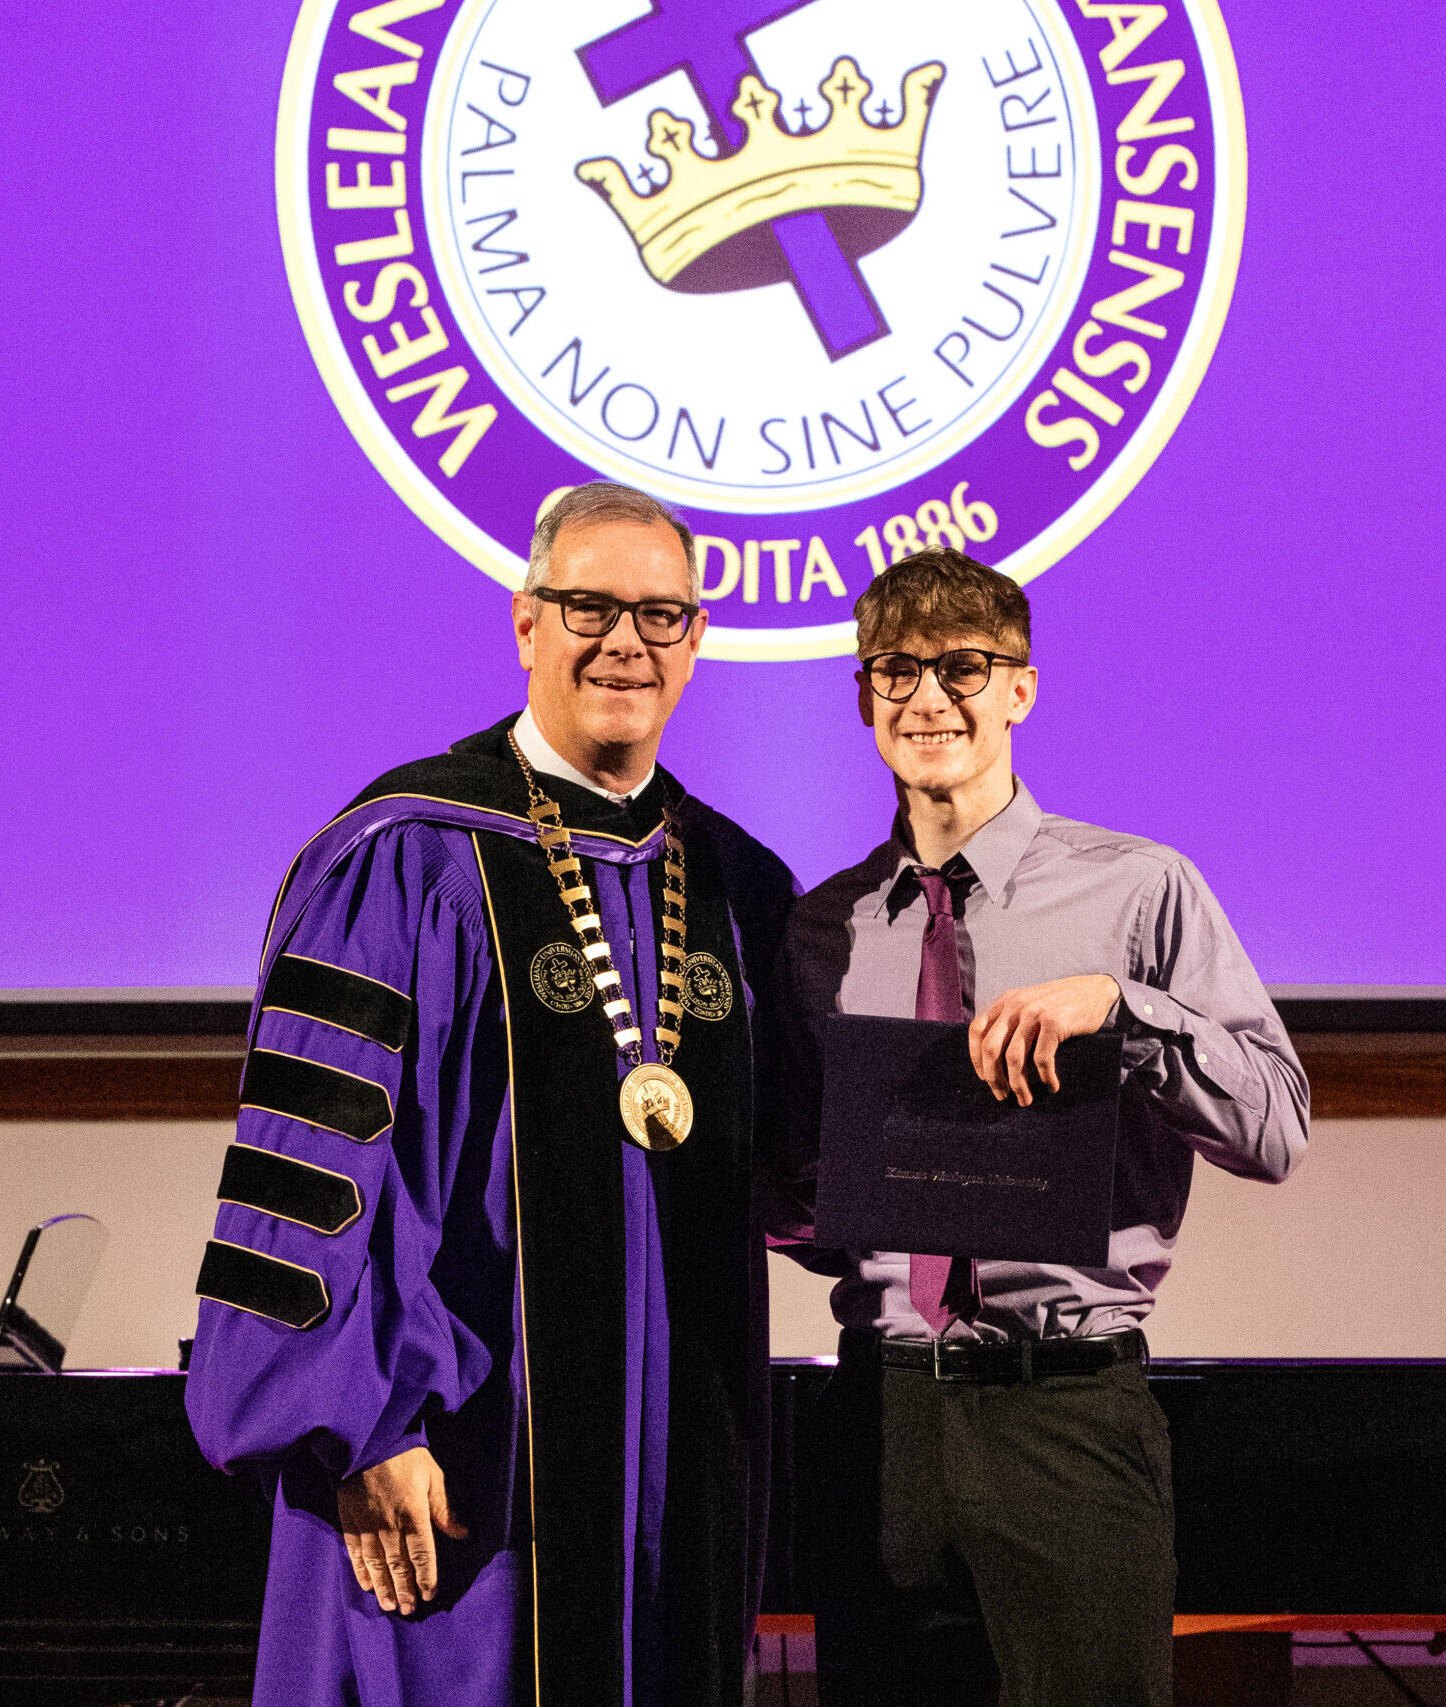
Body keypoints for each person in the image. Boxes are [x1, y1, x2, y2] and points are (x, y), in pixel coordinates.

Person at [186, 482, 796, 1707]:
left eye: (662, 615)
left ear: (698, 640)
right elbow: (308, 1176)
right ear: (527, 622)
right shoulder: (407, 858)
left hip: (675, 1485)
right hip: (456, 1460)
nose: (626, 642)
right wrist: (359, 1428)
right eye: (590, 607)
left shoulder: (737, 883)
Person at [766, 549, 1309, 1707]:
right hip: (879, 1419)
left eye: (964, 667)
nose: (928, 698)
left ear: (1020, 689)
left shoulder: (1138, 892)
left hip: (1060, 1411)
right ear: (865, 697)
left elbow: (1275, 1126)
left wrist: (1125, 1009)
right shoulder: (824, 929)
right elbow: (814, 1196)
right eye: (895, 671)